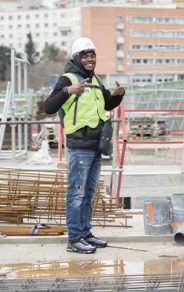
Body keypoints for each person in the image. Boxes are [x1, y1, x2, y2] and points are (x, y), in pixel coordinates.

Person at [45, 37, 125, 254]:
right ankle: (74, 238)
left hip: (96, 144)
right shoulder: (67, 79)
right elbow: (48, 107)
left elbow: (106, 104)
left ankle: (85, 233)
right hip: (80, 145)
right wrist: (68, 91)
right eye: (85, 56)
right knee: (77, 193)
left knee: (88, 193)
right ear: (76, 58)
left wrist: (118, 97)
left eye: (92, 55)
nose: (90, 59)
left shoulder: (96, 80)